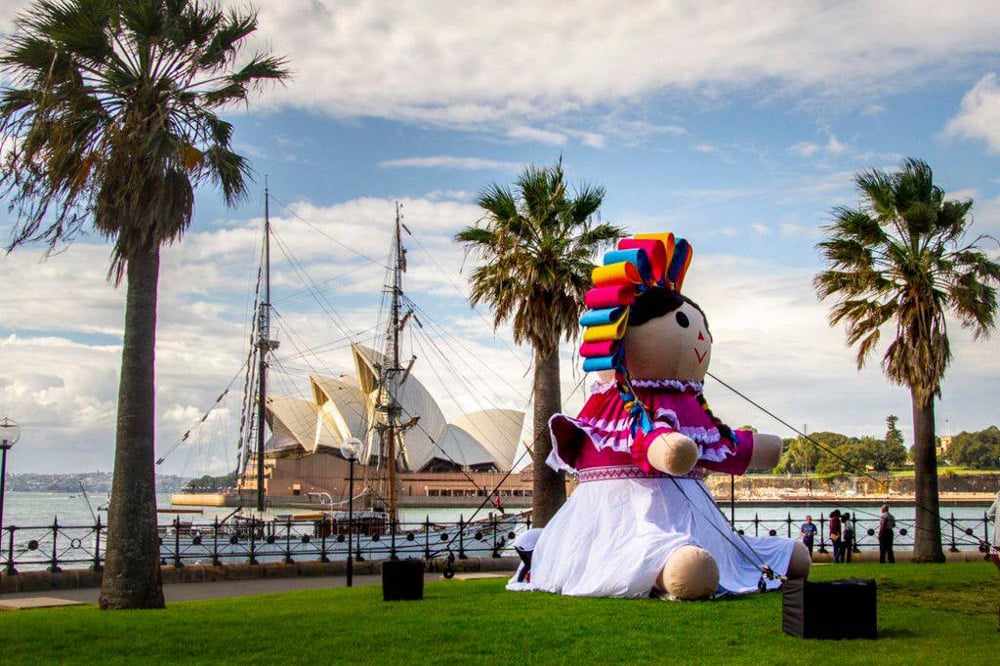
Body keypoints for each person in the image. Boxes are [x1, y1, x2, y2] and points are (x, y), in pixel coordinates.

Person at [987, 491, 999, 570]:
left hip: (998, 533)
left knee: (994, 553)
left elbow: (989, 514)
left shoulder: (998, 501)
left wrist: (994, 523)